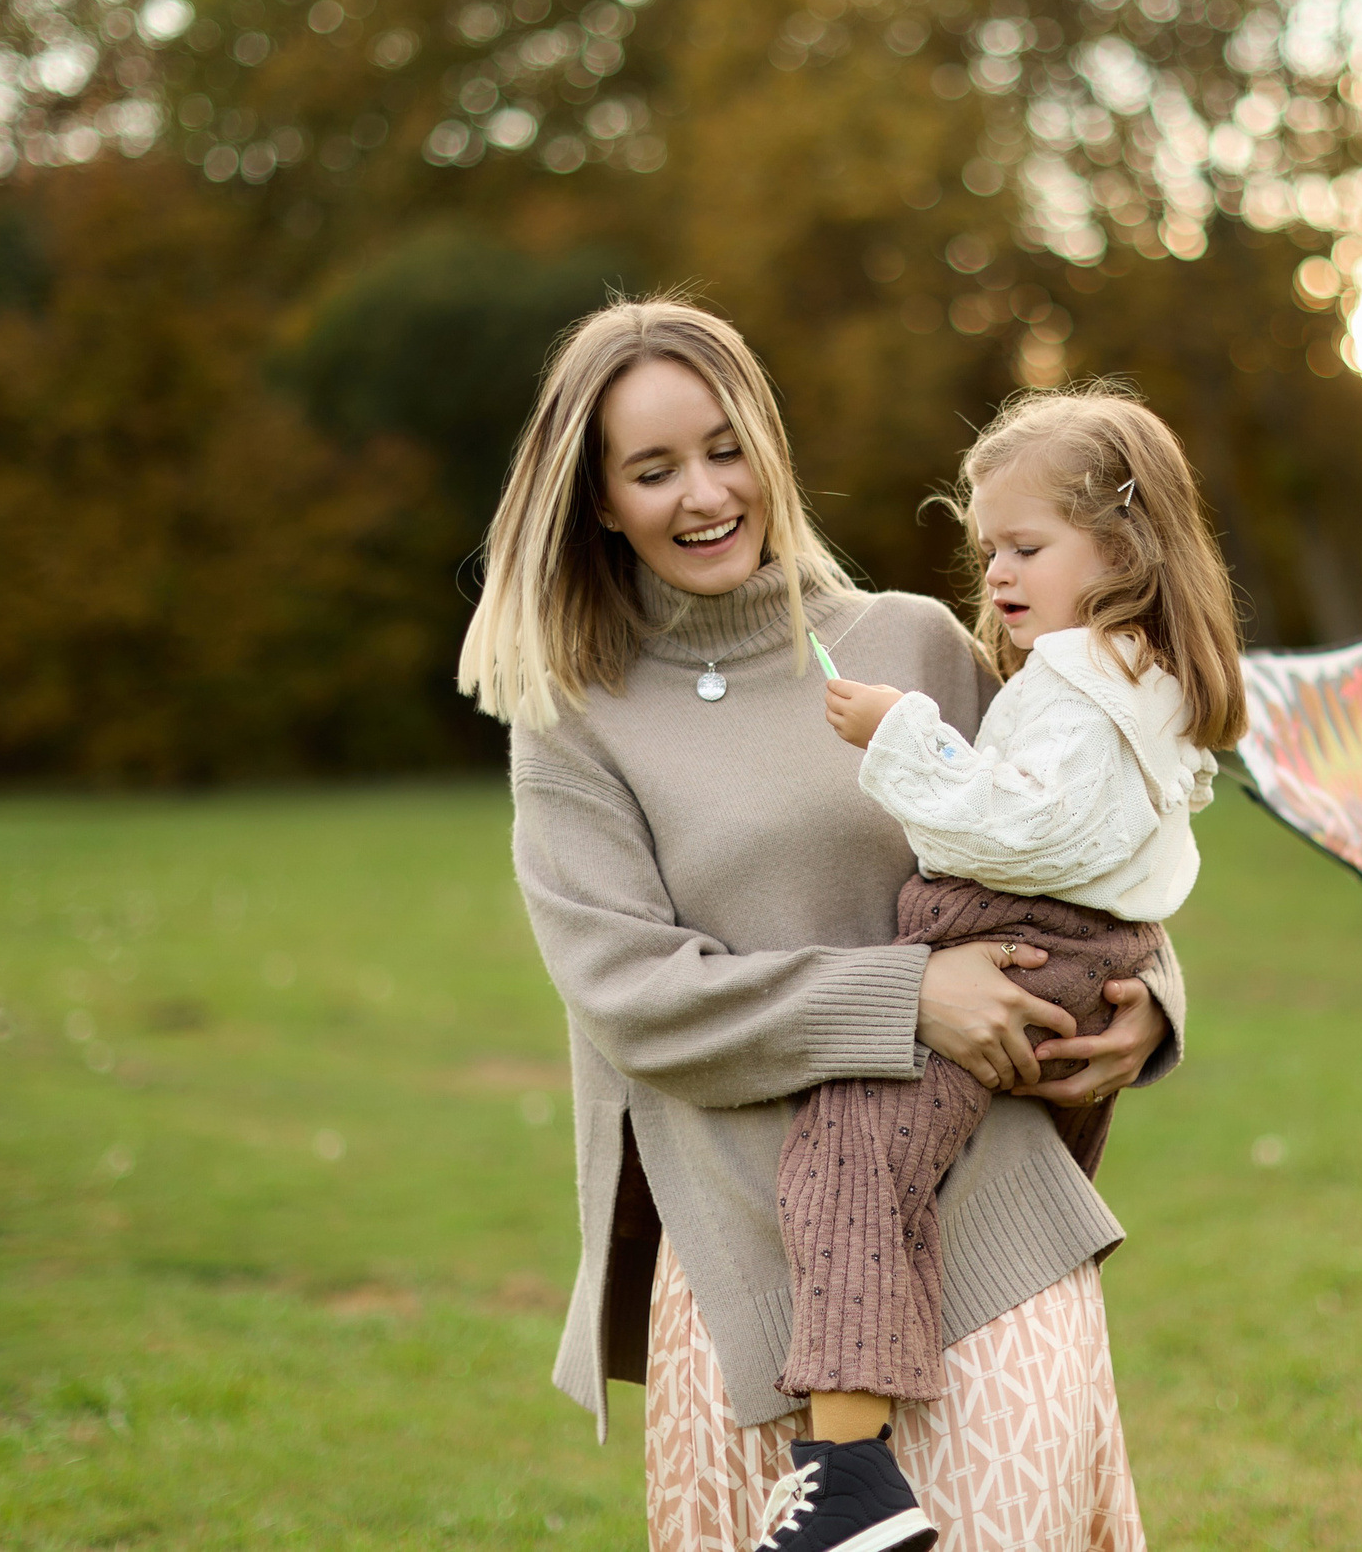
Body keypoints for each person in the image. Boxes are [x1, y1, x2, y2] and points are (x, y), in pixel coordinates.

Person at [459, 298, 1183, 1552]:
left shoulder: (910, 639)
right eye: (653, 469)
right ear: (596, 500)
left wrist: (1153, 1003)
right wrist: (906, 999)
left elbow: (1071, 832)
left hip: (992, 1230)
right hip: (752, 1263)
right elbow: (634, 996)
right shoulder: (575, 720)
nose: (703, 494)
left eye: (726, 447)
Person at [762, 388, 1245, 1550]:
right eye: (990, 552)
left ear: (1121, 548)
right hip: (1073, 959)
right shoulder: (1126, 672)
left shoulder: (1082, 686)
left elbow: (1013, 833)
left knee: (851, 1156)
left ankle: (846, 1468)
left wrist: (901, 735)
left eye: (1027, 547)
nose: (1001, 575)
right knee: (978, 1172)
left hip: (1019, 947)